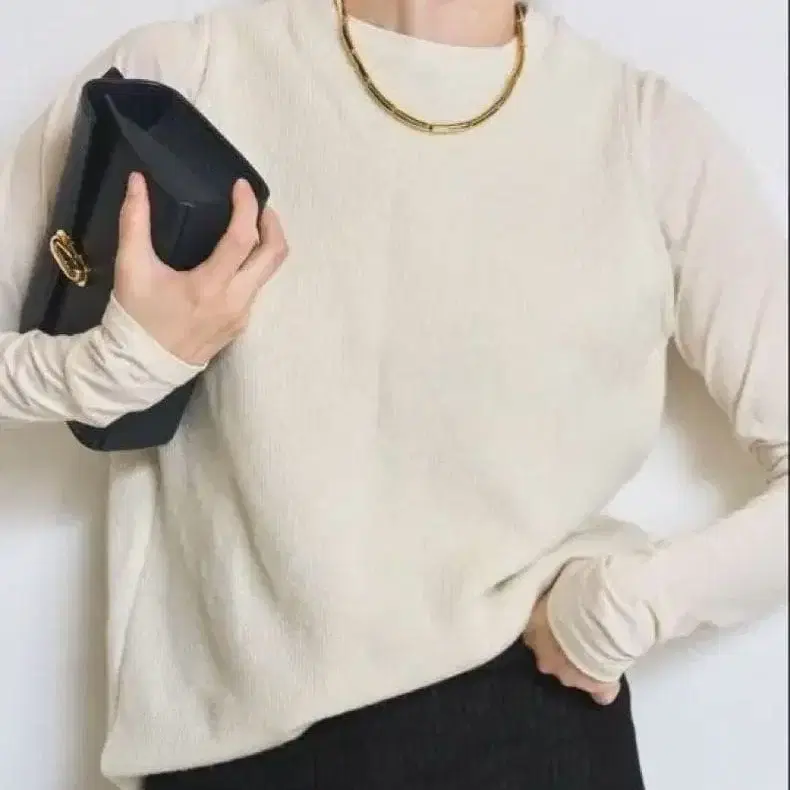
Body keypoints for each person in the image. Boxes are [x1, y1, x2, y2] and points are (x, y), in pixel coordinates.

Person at [1, 0, 786, 788]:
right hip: (226, 748)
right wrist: (113, 368)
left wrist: (631, 606)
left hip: (529, 718)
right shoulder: (181, 78)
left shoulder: (646, 135)